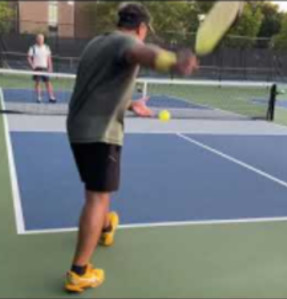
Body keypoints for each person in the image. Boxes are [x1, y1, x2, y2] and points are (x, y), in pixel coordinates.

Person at [65, 2, 198, 293]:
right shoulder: (128, 43)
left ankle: (104, 228)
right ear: (141, 28)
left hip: (79, 128)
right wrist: (174, 61)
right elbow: (142, 53)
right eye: (145, 32)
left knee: (100, 191)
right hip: (101, 132)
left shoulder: (97, 43)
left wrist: (131, 103)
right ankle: (79, 272)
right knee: (97, 198)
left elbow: (100, 88)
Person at [27, 33, 56, 103]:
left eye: (42, 39)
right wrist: (32, 65)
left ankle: (51, 97)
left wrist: (50, 67)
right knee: (38, 82)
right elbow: (28, 57)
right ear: (37, 39)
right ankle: (39, 97)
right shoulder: (33, 48)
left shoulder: (46, 48)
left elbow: (49, 58)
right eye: (39, 39)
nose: (40, 40)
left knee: (48, 83)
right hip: (37, 68)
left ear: (43, 40)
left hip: (45, 68)